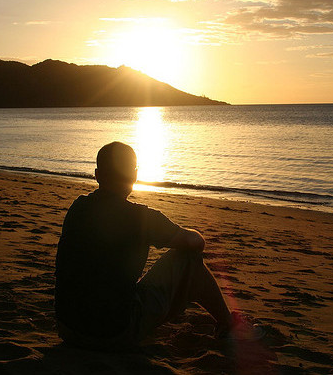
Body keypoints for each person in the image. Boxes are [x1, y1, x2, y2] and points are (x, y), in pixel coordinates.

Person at [55, 141, 263, 350]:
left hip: (68, 328)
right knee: (189, 260)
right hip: (113, 333)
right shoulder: (141, 217)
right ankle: (228, 324)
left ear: (97, 175)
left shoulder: (78, 208)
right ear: (134, 175)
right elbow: (196, 243)